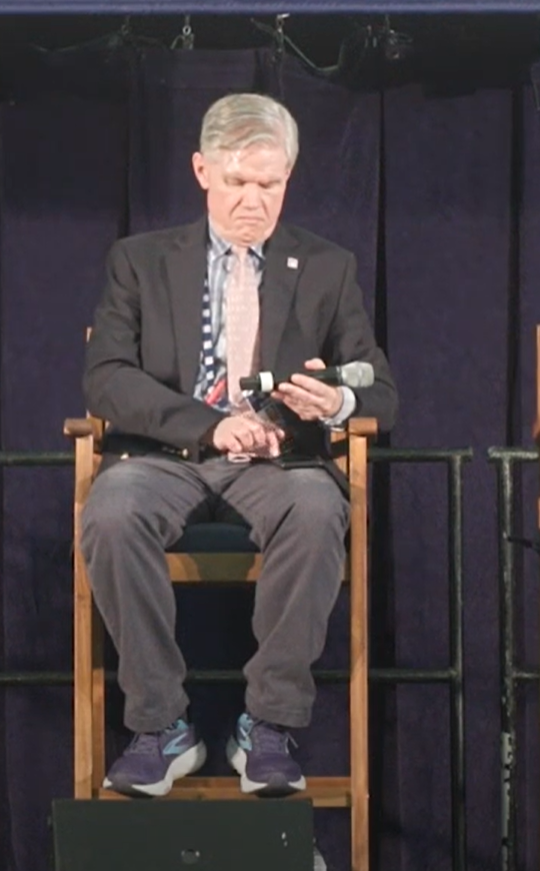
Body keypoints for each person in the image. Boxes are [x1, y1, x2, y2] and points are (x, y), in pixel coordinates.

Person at [79, 92, 398, 798]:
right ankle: (161, 723)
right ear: (201, 170)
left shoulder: (325, 265)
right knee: (110, 511)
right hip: (167, 452)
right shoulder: (140, 259)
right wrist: (206, 424)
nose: (253, 200)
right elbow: (105, 378)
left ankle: (270, 723)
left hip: (277, 460)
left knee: (318, 512)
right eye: (237, 182)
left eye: (270, 184)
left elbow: (377, 387)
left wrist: (337, 398)